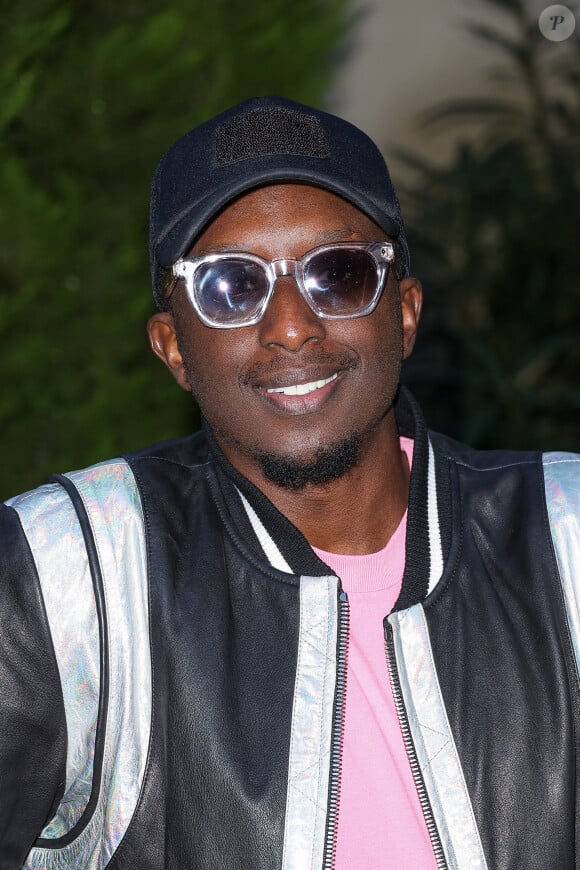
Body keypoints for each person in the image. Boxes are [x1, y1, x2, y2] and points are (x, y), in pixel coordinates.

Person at [0, 95, 578, 870]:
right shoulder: (66, 579)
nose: (291, 325)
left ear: (403, 313)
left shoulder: (565, 536)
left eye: (336, 274)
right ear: (173, 346)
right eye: (231, 287)